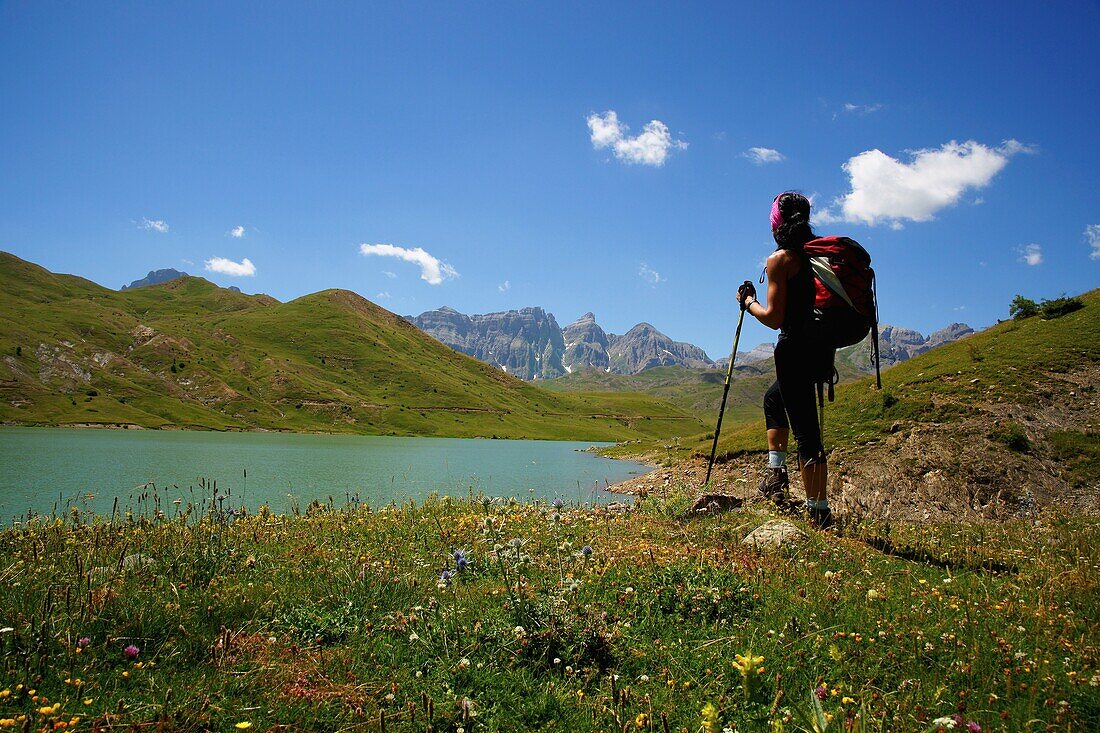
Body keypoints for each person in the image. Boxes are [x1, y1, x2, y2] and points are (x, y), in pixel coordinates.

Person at [735, 192, 834, 529]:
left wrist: (749, 303)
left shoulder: (780, 260)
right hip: (821, 348)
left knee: (807, 432)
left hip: (794, 350)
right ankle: (777, 474)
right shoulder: (818, 255)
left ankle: (819, 513)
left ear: (776, 223)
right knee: (774, 399)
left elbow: (775, 317)